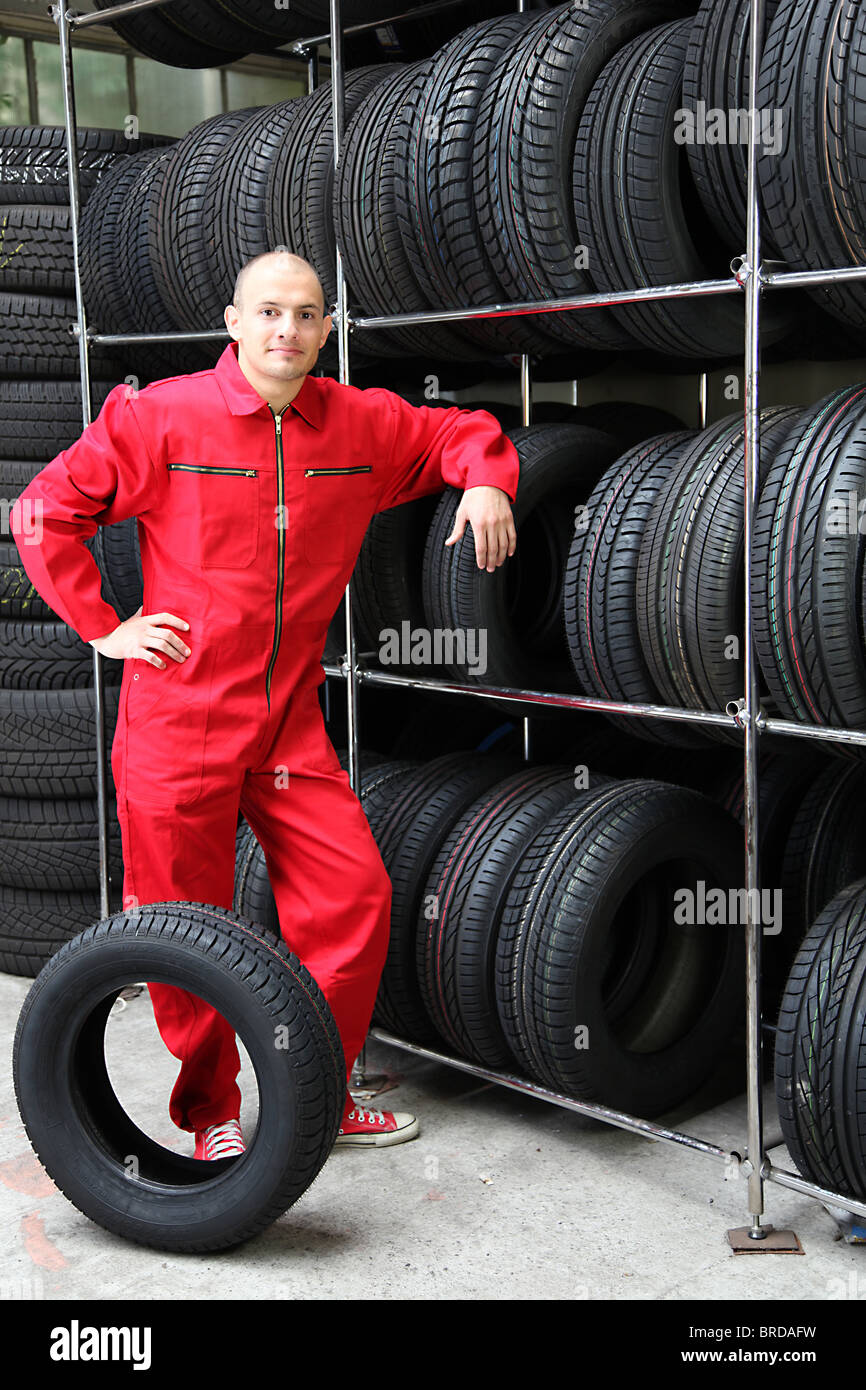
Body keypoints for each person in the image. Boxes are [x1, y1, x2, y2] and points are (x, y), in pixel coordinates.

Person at [10, 249, 520, 1159]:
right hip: (180, 718)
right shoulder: (159, 416)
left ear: (327, 330)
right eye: (271, 313)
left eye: (308, 315)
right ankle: (210, 1113)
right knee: (186, 924)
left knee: (351, 891)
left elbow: (456, 432)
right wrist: (104, 626)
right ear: (234, 323)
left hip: (288, 720)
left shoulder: (359, 423)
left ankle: (315, 1089)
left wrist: (486, 476)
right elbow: (45, 510)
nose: (289, 330)